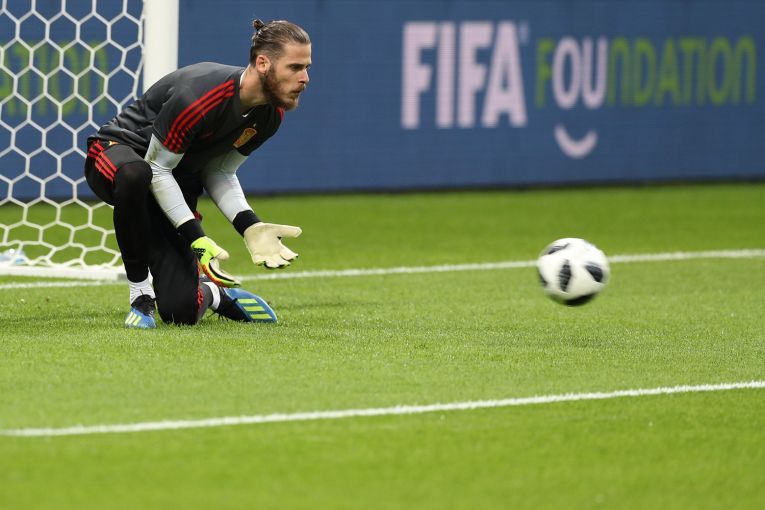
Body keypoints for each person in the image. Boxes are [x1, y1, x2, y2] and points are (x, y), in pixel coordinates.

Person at [83, 18, 311, 328]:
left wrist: (250, 226)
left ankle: (214, 294)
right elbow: (156, 168)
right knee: (135, 174)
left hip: (171, 180)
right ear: (262, 63)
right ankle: (141, 295)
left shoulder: (270, 117)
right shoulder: (198, 98)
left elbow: (219, 171)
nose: (305, 78)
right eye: (295, 67)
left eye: (306, 67)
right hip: (117, 154)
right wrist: (197, 237)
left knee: (181, 313)